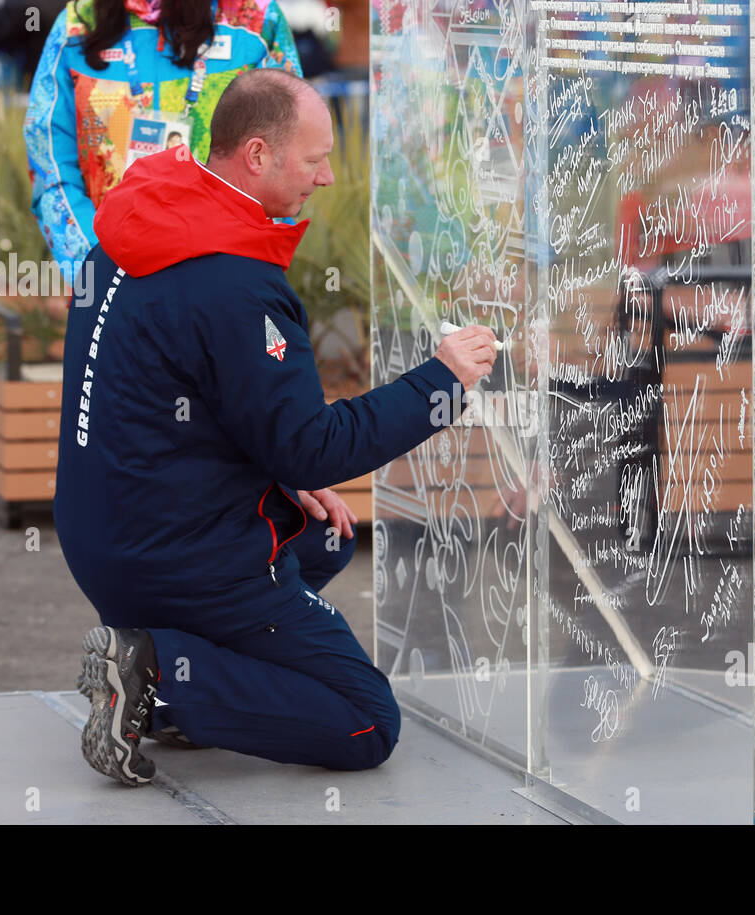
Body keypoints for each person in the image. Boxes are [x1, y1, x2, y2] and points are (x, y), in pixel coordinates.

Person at [55, 67, 500, 786]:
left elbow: (173, 396)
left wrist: (282, 476)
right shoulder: (230, 281)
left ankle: (161, 674)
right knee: (364, 720)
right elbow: (315, 445)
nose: (325, 178)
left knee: (322, 536)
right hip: (176, 557)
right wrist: (441, 382)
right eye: (316, 159)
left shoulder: (135, 227)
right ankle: (157, 672)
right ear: (257, 155)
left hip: (101, 537)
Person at [24, 0, 302, 279]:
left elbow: (285, 152)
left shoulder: (258, 19)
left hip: (227, 282)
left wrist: (236, 269)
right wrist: (95, 267)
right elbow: (49, 160)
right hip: (110, 287)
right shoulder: (77, 23)